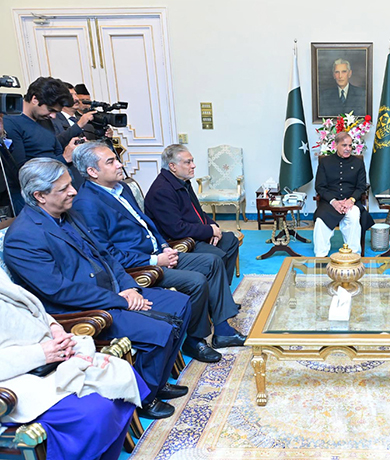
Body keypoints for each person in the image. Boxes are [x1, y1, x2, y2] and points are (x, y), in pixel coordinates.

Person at [4, 158, 192, 420]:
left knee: (180, 304)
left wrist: (129, 288)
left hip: (115, 292)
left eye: (71, 185)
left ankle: (157, 382)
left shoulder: (70, 215)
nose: (74, 192)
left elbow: (106, 255)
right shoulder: (23, 237)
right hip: (83, 309)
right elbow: (59, 291)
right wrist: (119, 299)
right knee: (160, 329)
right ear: (40, 196)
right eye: (64, 189)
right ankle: (146, 397)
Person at [72, 142, 246, 364]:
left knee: (212, 262)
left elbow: (148, 224)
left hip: (160, 252)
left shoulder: (121, 188)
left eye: (116, 159)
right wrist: (155, 259)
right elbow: (106, 253)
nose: (119, 164)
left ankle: (222, 331)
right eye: (111, 161)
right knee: (196, 280)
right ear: (92, 171)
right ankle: (195, 341)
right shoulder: (86, 203)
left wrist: (164, 246)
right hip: (138, 266)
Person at [0, 268, 147, 460]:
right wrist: (40, 354)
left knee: (119, 375)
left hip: (48, 356)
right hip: (15, 379)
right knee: (96, 412)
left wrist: (55, 328)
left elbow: (27, 305)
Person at [145, 144, 240, 284]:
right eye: (188, 162)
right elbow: (177, 229)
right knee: (218, 256)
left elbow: (198, 212)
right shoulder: (162, 190)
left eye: (192, 161)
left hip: (193, 233)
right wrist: (209, 231)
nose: (193, 165)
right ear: (172, 166)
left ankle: (221, 290)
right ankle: (217, 296)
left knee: (230, 240)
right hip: (179, 241)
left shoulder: (183, 182)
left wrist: (214, 226)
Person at [3, 77, 83, 196]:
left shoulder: (44, 118)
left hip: (59, 186)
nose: (53, 116)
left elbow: (57, 152)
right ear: (35, 99)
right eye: (51, 110)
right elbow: (21, 173)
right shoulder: (10, 123)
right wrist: (64, 158)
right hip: (37, 194)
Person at [313, 131, 374, 256]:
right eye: (344, 145)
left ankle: (353, 254)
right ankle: (320, 256)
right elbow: (320, 186)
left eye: (350, 146)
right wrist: (334, 202)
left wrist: (351, 200)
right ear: (336, 145)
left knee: (354, 215)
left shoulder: (358, 163)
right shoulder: (325, 162)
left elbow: (361, 186)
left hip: (351, 202)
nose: (348, 149)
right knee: (320, 222)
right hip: (330, 203)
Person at [50, 82, 97, 149]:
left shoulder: (82, 119)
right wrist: (79, 125)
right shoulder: (52, 120)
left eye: (76, 94)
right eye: (71, 95)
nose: (76, 98)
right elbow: (56, 143)